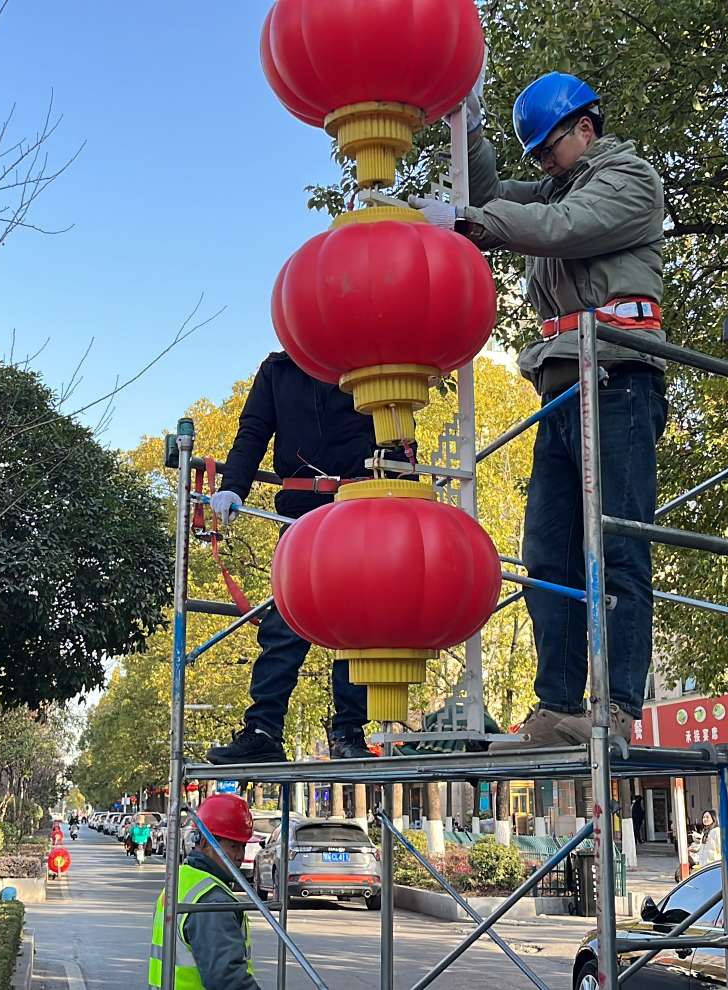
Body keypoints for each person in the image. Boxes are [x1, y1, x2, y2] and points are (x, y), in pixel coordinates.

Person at [412, 72, 668, 749]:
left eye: (549, 148)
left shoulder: (629, 182)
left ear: (587, 128)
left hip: (618, 381)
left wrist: (466, 222)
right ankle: (558, 707)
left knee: (617, 548)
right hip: (561, 390)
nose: (544, 164)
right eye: (535, 157)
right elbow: (494, 199)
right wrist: (469, 129)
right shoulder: (561, 184)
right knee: (547, 555)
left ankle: (614, 707)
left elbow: (559, 228)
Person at [204, 351, 385, 765]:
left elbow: (396, 435)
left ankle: (348, 732)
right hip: (299, 512)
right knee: (286, 620)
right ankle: (263, 730)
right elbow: (252, 432)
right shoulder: (278, 371)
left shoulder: (364, 361)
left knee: (356, 620)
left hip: (361, 506)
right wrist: (234, 486)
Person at [149, 793, 261, 989]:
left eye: (242, 847)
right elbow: (227, 979)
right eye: (233, 846)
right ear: (205, 843)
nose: (239, 856)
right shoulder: (214, 900)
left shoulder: (183, 878)